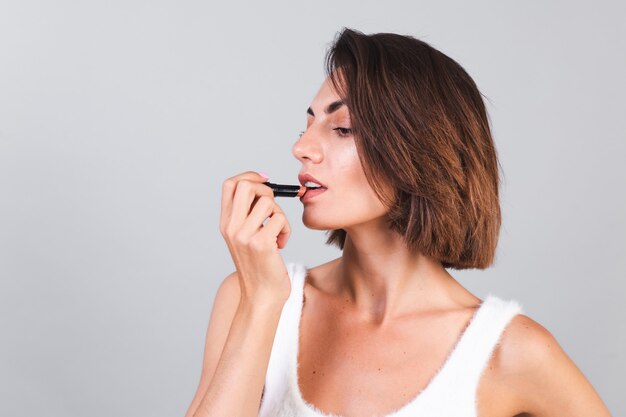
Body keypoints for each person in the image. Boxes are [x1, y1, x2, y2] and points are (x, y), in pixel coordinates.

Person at [185, 28, 612, 417]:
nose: (301, 147)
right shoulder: (248, 298)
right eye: (308, 124)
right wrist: (260, 302)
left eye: (343, 128)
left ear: (417, 152)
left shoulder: (511, 353)